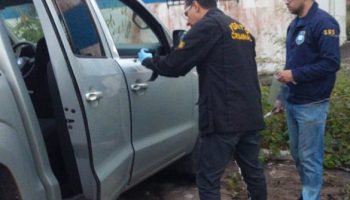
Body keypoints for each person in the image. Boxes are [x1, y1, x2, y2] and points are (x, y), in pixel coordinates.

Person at [138, 0, 266, 199]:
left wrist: (147, 60)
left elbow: (175, 65)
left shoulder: (207, 27)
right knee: (254, 173)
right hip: (250, 115)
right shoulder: (238, 27)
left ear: (196, 5)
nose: (187, 22)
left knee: (208, 180)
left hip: (223, 119)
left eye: (186, 13)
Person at [275, 0, 340, 199]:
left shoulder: (324, 23)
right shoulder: (294, 25)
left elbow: (331, 63)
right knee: (298, 155)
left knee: (310, 158)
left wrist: (295, 75)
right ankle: (308, 193)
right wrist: (281, 95)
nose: (285, 0)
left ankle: (311, 196)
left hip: (312, 104)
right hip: (293, 100)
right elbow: (291, 62)